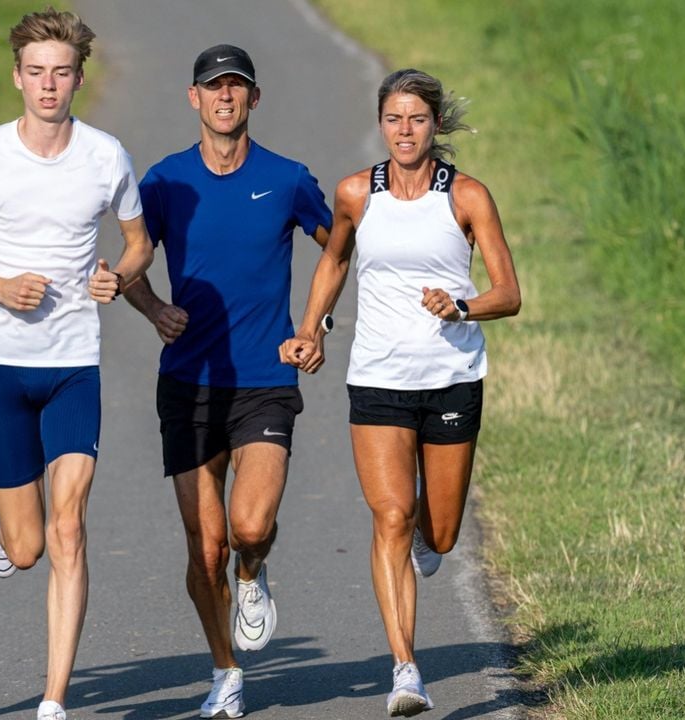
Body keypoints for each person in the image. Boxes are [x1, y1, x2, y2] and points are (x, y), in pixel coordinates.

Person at [0, 8, 153, 720]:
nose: (49, 85)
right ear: (17, 77)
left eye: (62, 72)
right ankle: (7, 531)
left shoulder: (106, 156)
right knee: (28, 544)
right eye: (37, 72)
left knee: (69, 523)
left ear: (79, 77)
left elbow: (138, 244)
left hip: (74, 361)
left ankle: (53, 701)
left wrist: (120, 276)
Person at [281, 68, 521, 717]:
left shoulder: (467, 196)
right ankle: (406, 670)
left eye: (417, 118)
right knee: (389, 514)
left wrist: (463, 306)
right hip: (379, 378)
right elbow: (335, 259)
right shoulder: (357, 193)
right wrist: (312, 329)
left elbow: (509, 292)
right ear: (381, 123)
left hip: (450, 379)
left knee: (437, 534)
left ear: (435, 125)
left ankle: (427, 537)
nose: (405, 130)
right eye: (394, 118)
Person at [122, 44, 332, 719]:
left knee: (249, 525)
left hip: (265, 378)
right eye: (213, 88)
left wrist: (315, 326)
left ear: (253, 99)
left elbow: (341, 247)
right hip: (187, 382)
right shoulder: (164, 183)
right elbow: (129, 262)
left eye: (236, 87)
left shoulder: (289, 178)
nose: (225, 97)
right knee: (203, 546)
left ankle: (253, 572)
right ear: (194, 98)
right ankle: (226, 671)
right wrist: (154, 308)